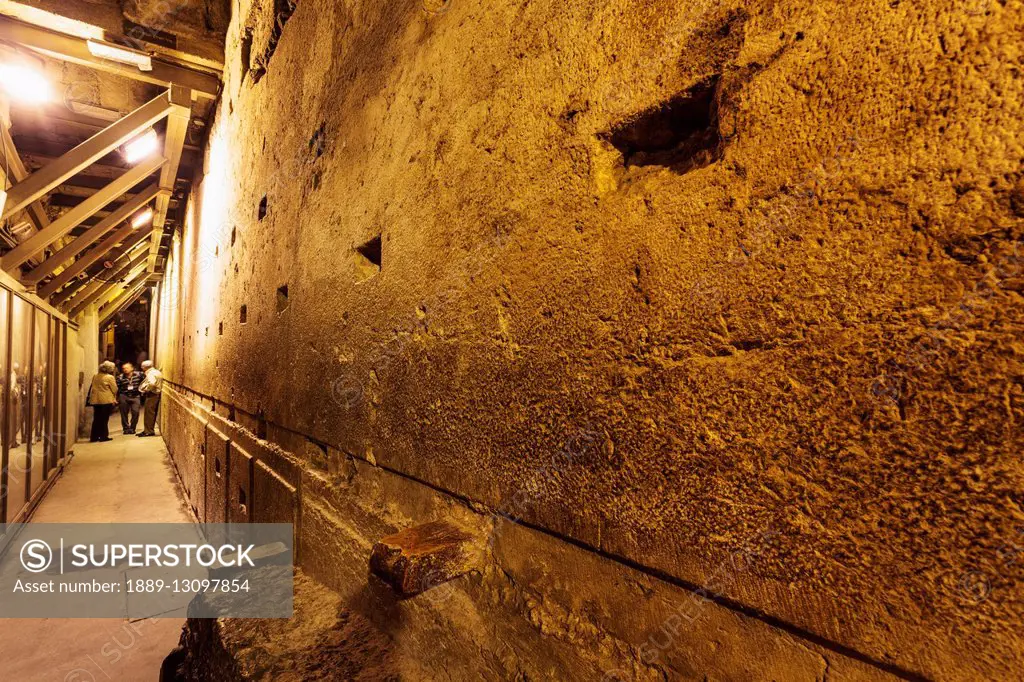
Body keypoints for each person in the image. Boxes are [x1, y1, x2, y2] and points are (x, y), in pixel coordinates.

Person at [88, 361, 118, 442]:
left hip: (95, 400)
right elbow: (115, 389)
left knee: (96, 419)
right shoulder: (109, 377)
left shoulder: (95, 376)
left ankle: (93, 437)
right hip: (105, 400)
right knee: (104, 419)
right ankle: (103, 436)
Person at [116, 362, 144, 434]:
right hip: (124, 396)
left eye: (127, 368)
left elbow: (145, 381)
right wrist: (117, 398)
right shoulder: (120, 377)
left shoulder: (139, 375)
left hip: (135, 396)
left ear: (132, 368)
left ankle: (132, 428)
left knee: (136, 412)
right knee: (124, 413)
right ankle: (126, 428)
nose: (125, 370)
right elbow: (117, 388)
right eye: (123, 368)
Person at [137, 360, 163, 437]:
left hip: (152, 394)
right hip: (154, 394)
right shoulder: (155, 371)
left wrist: (146, 389)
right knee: (150, 413)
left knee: (149, 413)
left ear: (144, 367)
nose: (141, 368)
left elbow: (152, 383)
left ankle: (148, 431)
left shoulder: (151, 373)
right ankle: (148, 430)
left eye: (142, 366)